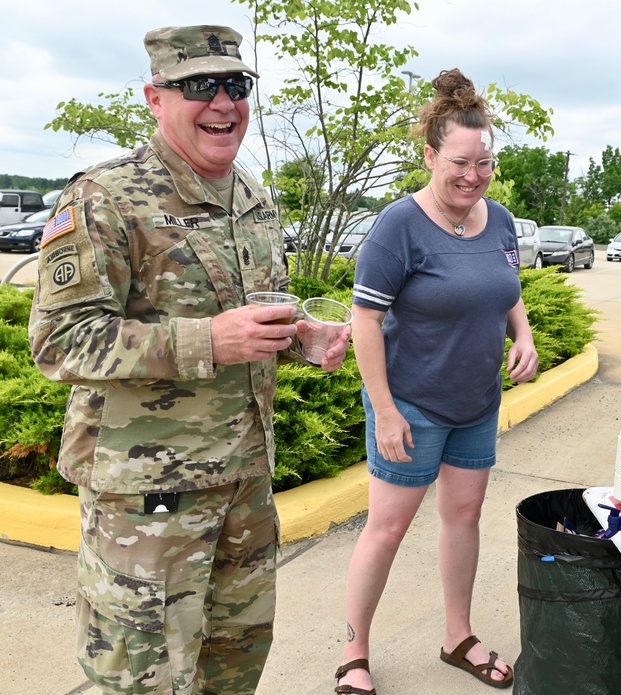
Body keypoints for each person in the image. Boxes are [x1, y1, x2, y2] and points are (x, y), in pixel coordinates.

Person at [27, 25, 350, 695]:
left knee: (233, 668)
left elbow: (250, 318)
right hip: (147, 510)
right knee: (142, 681)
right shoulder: (105, 197)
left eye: (237, 85)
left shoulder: (253, 200)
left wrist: (299, 338)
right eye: (200, 86)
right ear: (155, 97)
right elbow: (60, 340)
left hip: (243, 493)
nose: (224, 103)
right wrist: (207, 340)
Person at [338, 69, 538, 694]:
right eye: (459, 162)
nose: (473, 176)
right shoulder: (399, 226)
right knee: (388, 527)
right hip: (411, 404)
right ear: (430, 156)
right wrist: (386, 409)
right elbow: (365, 320)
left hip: (475, 403)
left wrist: (523, 335)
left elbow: (505, 289)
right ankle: (353, 654)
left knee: (465, 516)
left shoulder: (499, 220)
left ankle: (458, 636)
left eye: (485, 163)